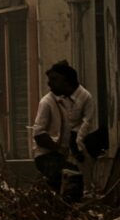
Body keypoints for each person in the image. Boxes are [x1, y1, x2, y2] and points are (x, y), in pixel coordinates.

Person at [32, 60, 95, 199]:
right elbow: (39, 134)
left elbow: (80, 125)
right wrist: (57, 148)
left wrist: (74, 147)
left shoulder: (68, 102)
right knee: (72, 179)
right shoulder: (47, 102)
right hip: (47, 156)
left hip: (59, 156)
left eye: (54, 79)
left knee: (69, 184)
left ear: (66, 81)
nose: (49, 83)